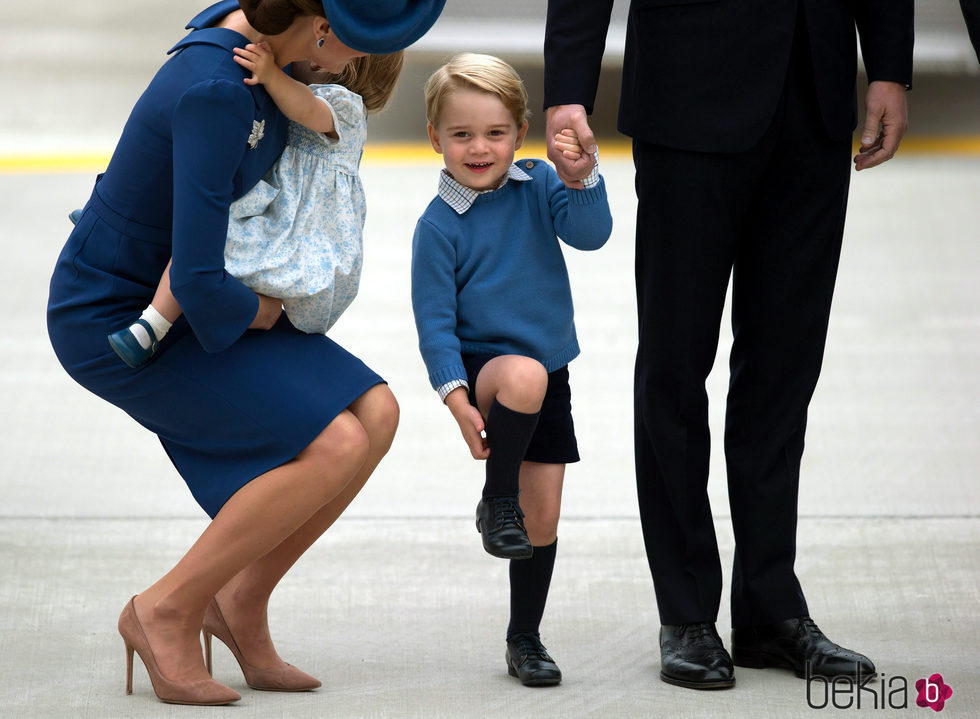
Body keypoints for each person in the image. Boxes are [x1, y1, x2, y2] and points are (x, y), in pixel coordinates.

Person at [46, 0, 443, 706]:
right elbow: (195, 280)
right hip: (124, 312)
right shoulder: (218, 91)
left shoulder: (258, 43)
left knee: (376, 412)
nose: (358, 65)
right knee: (333, 443)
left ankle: (238, 598)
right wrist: (267, 309)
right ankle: (165, 606)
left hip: (202, 290)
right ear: (321, 25)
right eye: (360, 45)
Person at [543, 0, 913, 690]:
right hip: (689, 91)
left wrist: (890, 64)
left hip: (814, 93)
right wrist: (568, 86)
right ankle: (686, 612)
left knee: (784, 367)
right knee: (675, 366)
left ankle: (771, 607)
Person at [410, 53, 612, 687]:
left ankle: (524, 636)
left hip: (549, 371)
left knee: (544, 520)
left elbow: (593, 235)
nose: (479, 147)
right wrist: (454, 397)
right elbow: (434, 323)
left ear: (520, 132)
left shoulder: (540, 187)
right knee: (525, 376)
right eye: (461, 134)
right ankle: (495, 499)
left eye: (495, 133)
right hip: (487, 371)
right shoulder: (438, 226)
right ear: (435, 138)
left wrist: (580, 177)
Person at [105, 43, 404, 367]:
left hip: (293, 222)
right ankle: (128, 232)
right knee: (213, 239)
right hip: (283, 209)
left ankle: (152, 325)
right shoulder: (333, 103)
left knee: (207, 239)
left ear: (339, 65)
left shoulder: (344, 107)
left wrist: (272, 75)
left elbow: (304, 108)